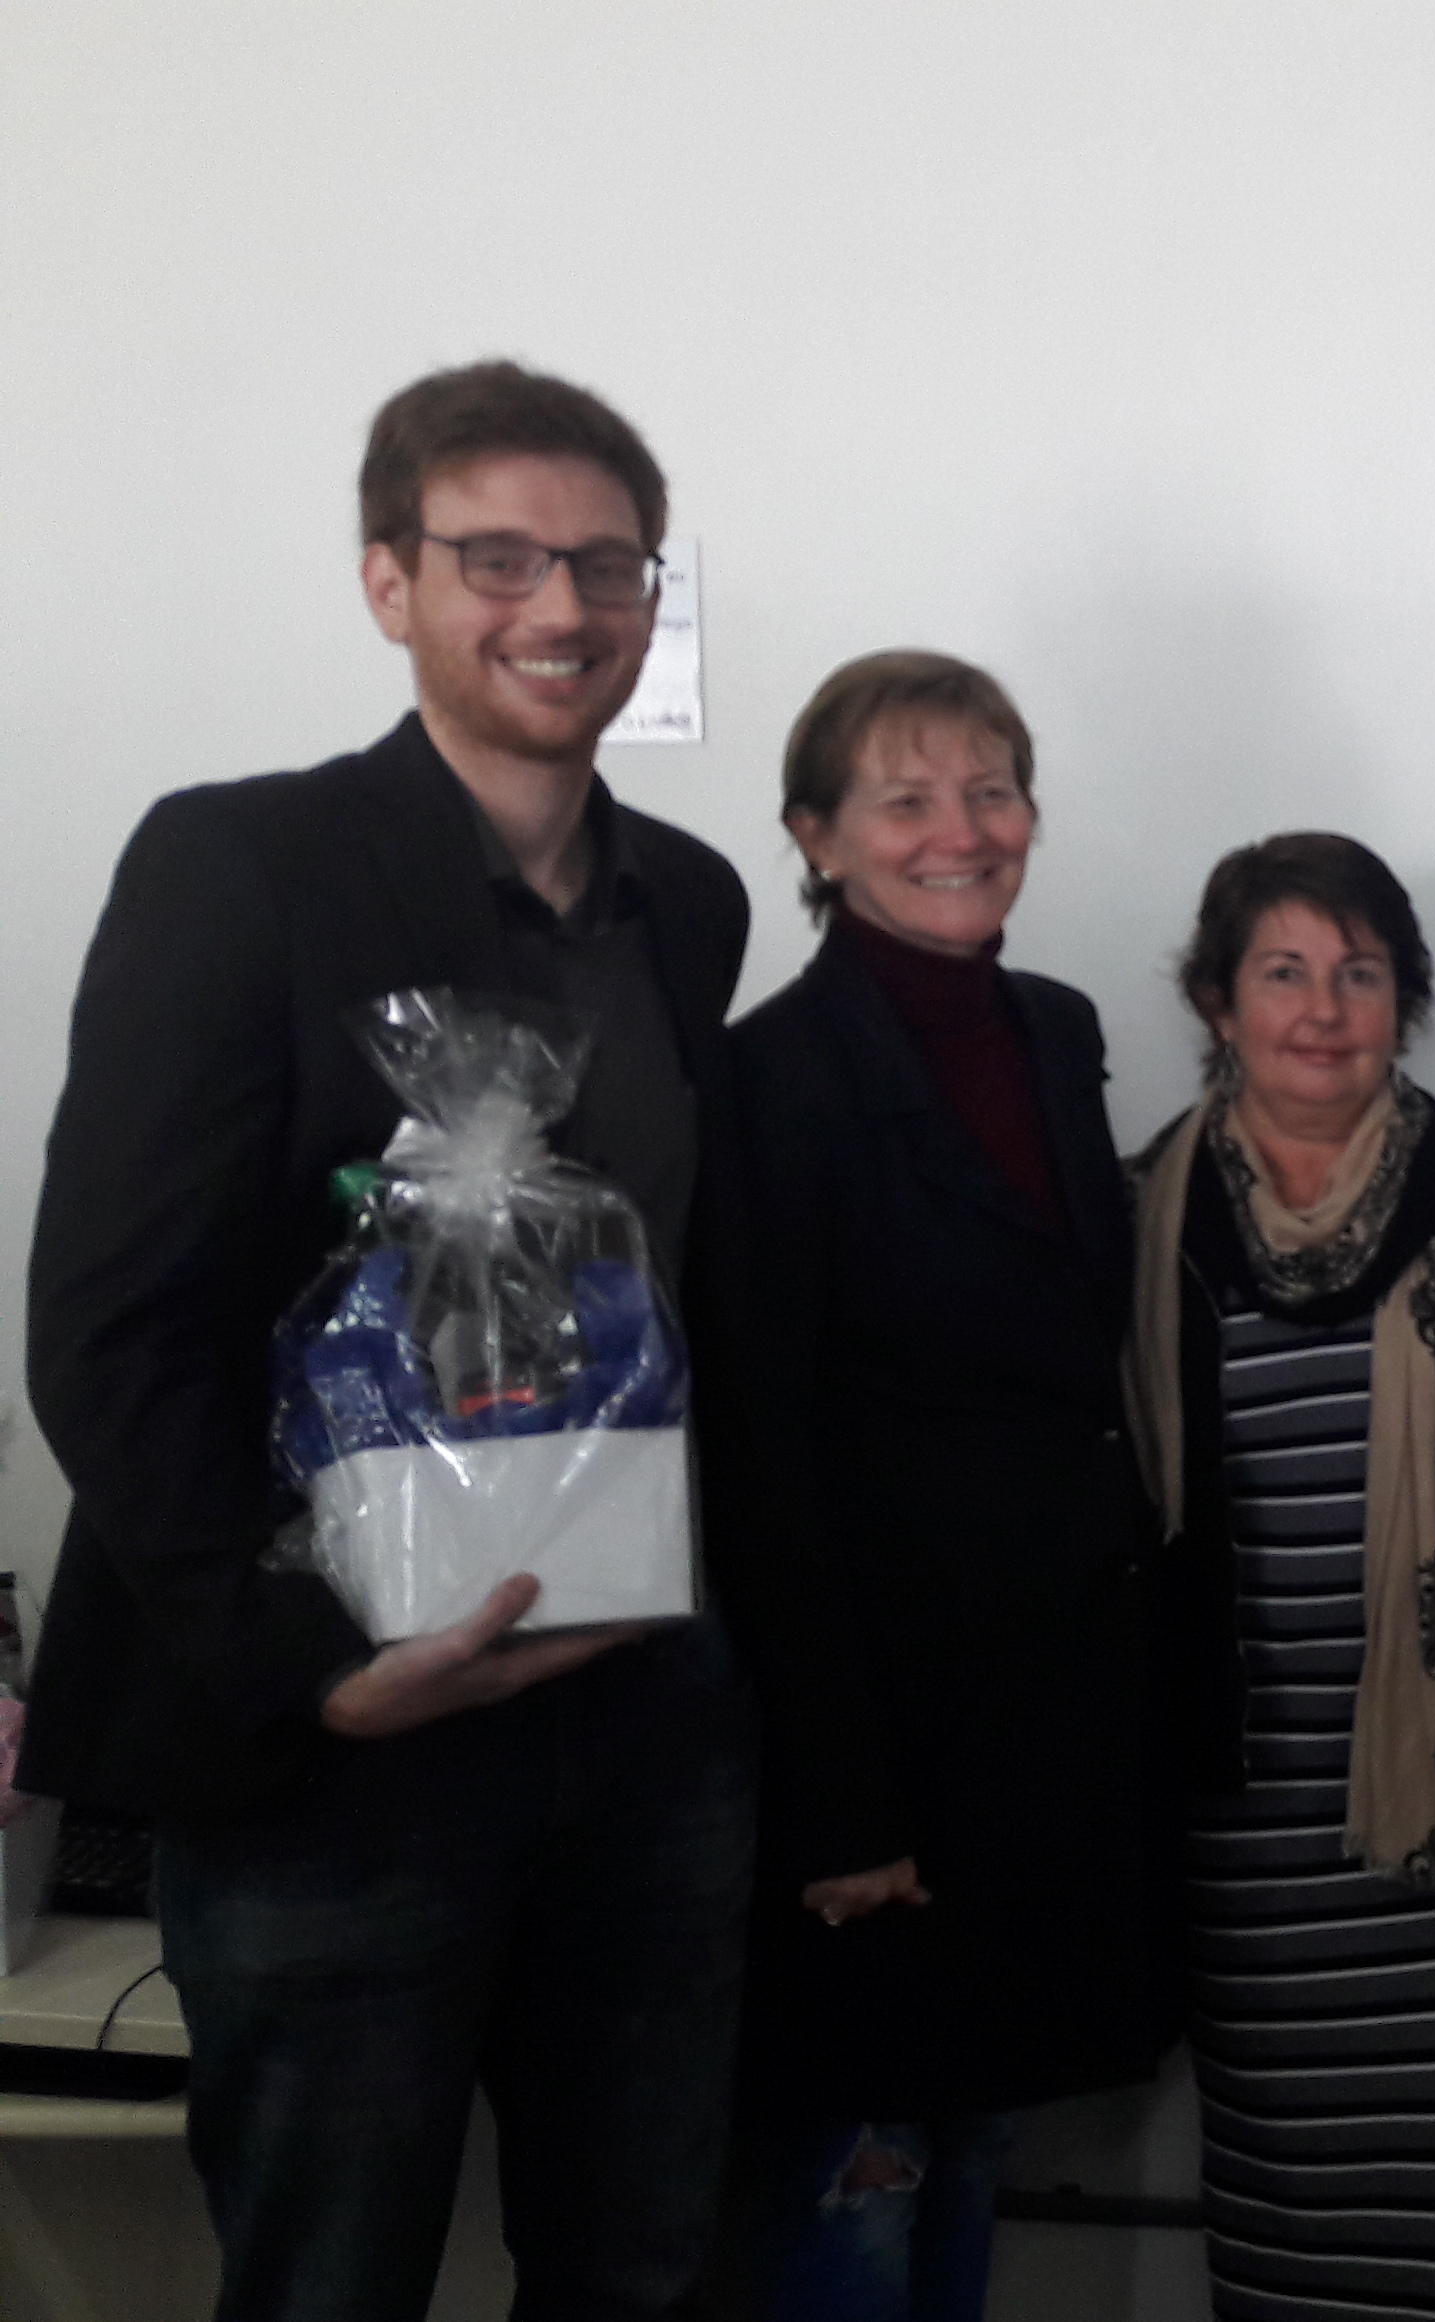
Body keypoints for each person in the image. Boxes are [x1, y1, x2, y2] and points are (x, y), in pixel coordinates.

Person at [22, 361, 757, 2319]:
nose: (560, 605)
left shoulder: (690, 902)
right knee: (330, 2281)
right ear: (388, 581)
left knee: (641, 2263)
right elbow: (107, 1320)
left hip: (642, 1710)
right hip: (347, 1747)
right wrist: (312, 1668)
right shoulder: (241, 865)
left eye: (608, 564)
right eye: (496, 556)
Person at [706, 651, 1193, 2320]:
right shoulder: (765, 1077)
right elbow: (760, 1456)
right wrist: (840, 1798)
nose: (960, 832)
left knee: (975, 2141)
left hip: (1040, 1723)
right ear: (817, 836)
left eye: (991, 791)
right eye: (905, 799)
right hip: (880, 1736)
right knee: (858, 2177)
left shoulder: (1053, 1028)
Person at [1128, 833, 1435, 2322]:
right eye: (1283, 972)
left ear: (1406, 997)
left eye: (1361, 973)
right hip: (1245, 1787)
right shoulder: (1139, 1214)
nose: (1323, 1010)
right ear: (1218, 1000)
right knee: (1279, 2158)